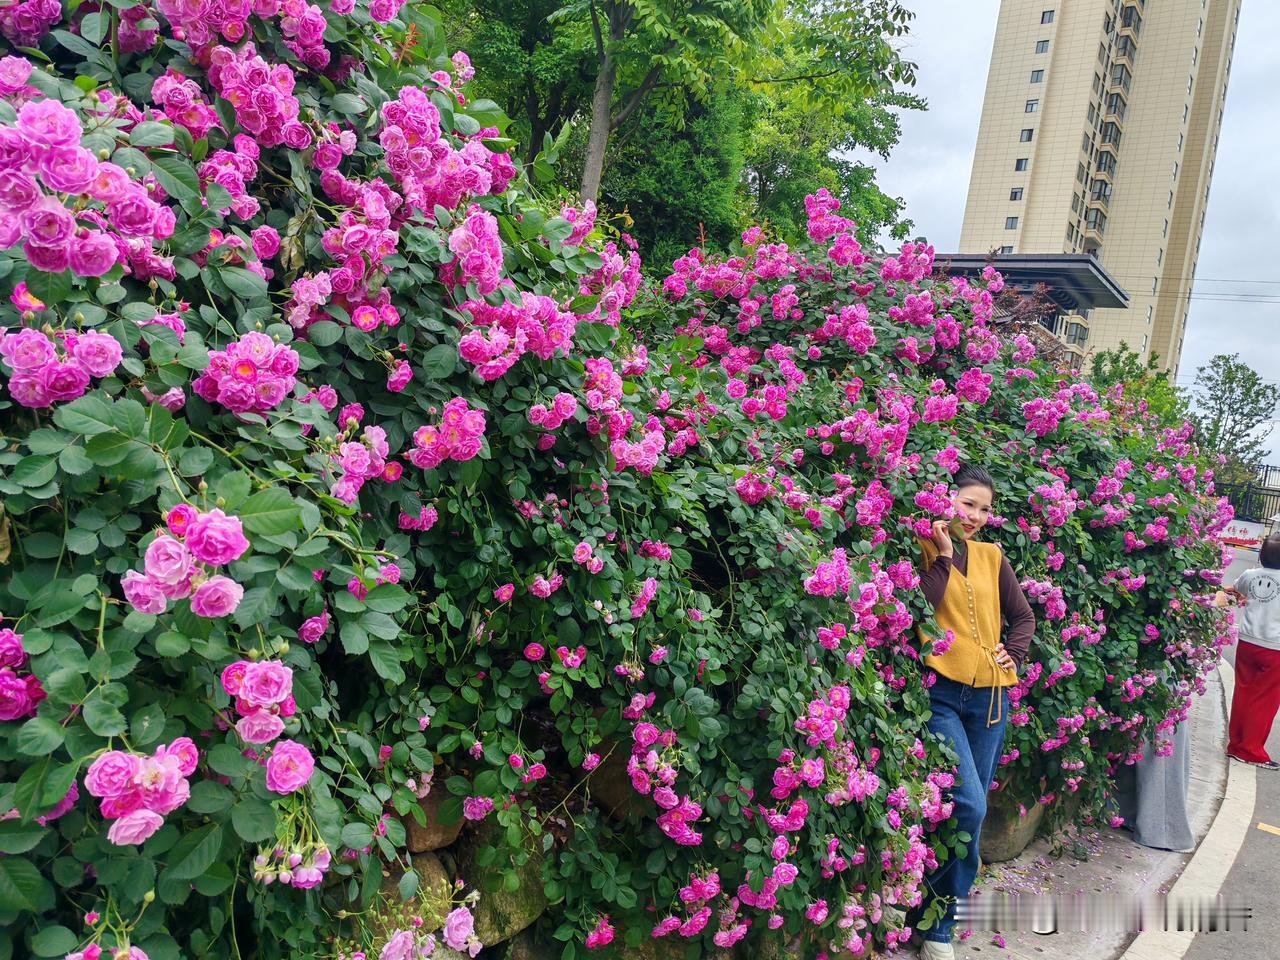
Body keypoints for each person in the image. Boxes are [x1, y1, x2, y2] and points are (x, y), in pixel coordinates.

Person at [907, 465, 1037, 960]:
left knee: (970, 817)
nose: (976, 517)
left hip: (991, 700)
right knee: (969, 805)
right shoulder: (922, 550)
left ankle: (936, 926)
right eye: (968, 504)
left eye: (984, 509)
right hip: (941, 694)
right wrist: (942, 555)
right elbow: (920, 607)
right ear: (946, 499)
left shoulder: (992, 556)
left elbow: (1023, 616)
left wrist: (1013, 653)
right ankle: (929, 916)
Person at [1226, 534, 1280, 770]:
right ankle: (1251, 750)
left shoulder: (1250, 575)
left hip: (1247, 643)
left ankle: (1236, 744)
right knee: (1265, 700)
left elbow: (1236, 588)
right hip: (1275, 647)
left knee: (1243, 692)